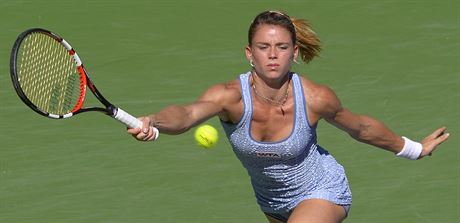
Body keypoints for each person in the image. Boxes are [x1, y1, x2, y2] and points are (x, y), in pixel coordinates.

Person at [127, 10, 450, 223]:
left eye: (281, 47)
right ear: (249, 53)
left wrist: (414, 149)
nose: (272, 55)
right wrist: (154, 120)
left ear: (294, 53)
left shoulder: (315, 98)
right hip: (272, 202)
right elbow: (185, 115)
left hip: (322, 190)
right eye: (263, 47)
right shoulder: (229, 97)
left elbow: (361, 127)